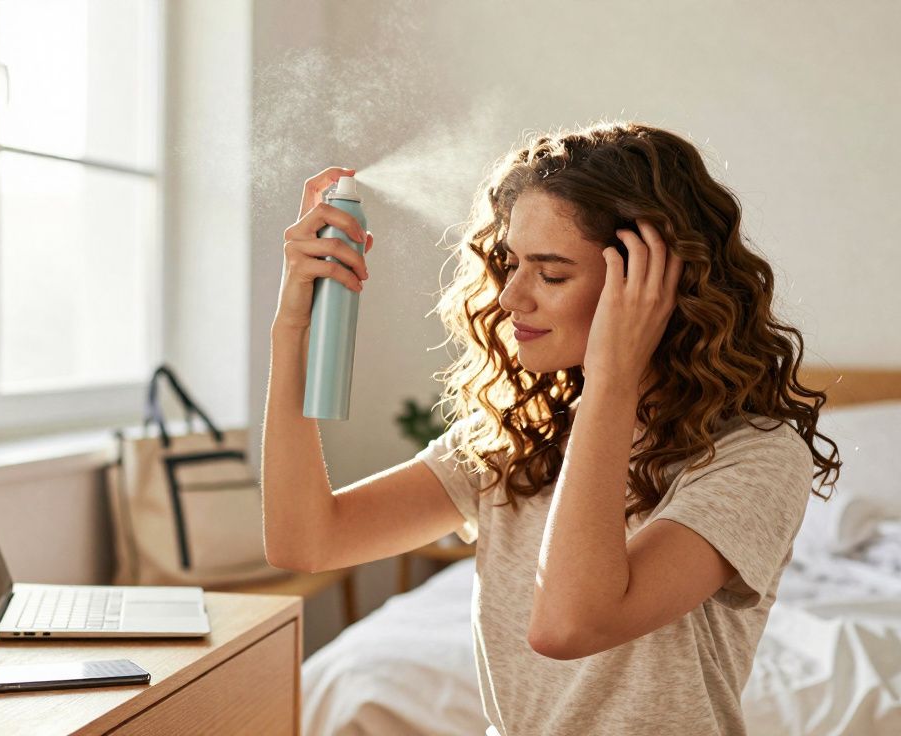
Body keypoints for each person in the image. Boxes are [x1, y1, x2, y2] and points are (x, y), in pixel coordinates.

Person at [260, 120, 843, 736]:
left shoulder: (754, 457)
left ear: (656, 286)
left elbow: (568, 625)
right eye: (512, 263)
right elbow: (306, 542)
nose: (511, 298)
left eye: (553, 274)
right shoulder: (519, 438)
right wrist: (290, 329)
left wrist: (613, 378)